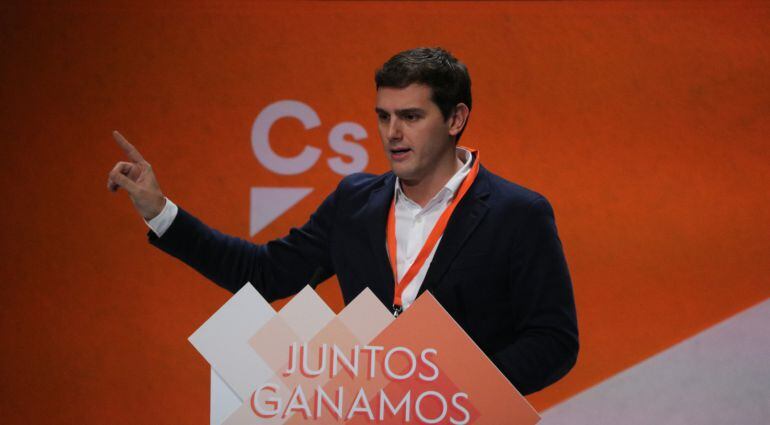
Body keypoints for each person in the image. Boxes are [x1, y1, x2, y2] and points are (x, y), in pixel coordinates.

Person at [107, 47, 578, 395]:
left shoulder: (518, 213)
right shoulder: (354, 202)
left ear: (456, 118)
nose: (393, 133)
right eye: (383, 116)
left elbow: (553, 339)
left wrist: (456, 393)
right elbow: (262, 273)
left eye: (411, 116)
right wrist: (160, 211)